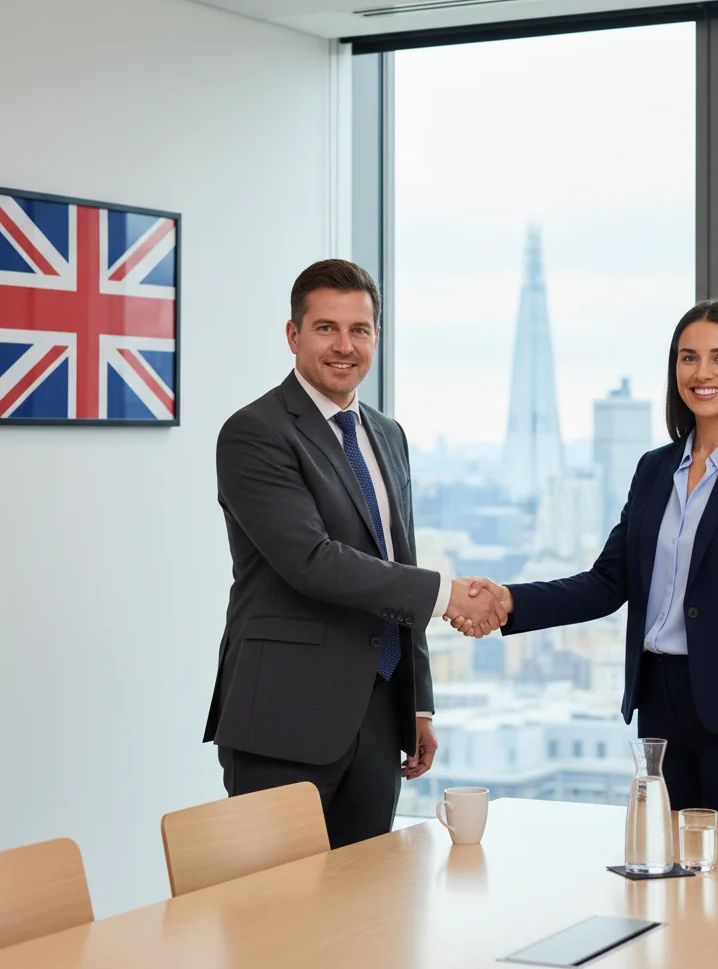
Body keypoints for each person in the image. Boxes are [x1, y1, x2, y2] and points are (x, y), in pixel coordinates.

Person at [453, 300, 718, 814]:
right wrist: (509, 600)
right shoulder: (654, 469)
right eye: (688, 358)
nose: (702, 373)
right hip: (661, 705)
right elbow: (607, 582)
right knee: (666, 868)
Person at [204, 259, 505, 847]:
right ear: (293, 336)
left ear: (375, 337)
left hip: (376, 713)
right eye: (326, 328)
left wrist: (418, 703)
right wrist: (448, 596)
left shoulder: (386, 434)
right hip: (283, 722)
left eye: (359, 330)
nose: (344, 346)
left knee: (367, 911)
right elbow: (312, 561)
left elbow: (397, 560)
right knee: (278, 916)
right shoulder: (255, 432)